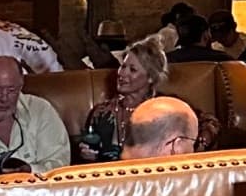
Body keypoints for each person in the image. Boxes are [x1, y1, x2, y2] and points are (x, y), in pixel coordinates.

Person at [75, 25, 176, 160]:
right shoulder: (102, 112)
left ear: (151, 77)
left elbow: (204, 124)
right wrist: (87, 154)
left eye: (132, 70)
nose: (122, 74)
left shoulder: (167, 110)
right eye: (123, 66)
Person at [121, 96, 201, 159]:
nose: (193, 151)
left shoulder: (115, 173)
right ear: (177, 146)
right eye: (193, 143)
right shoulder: (192, 179)